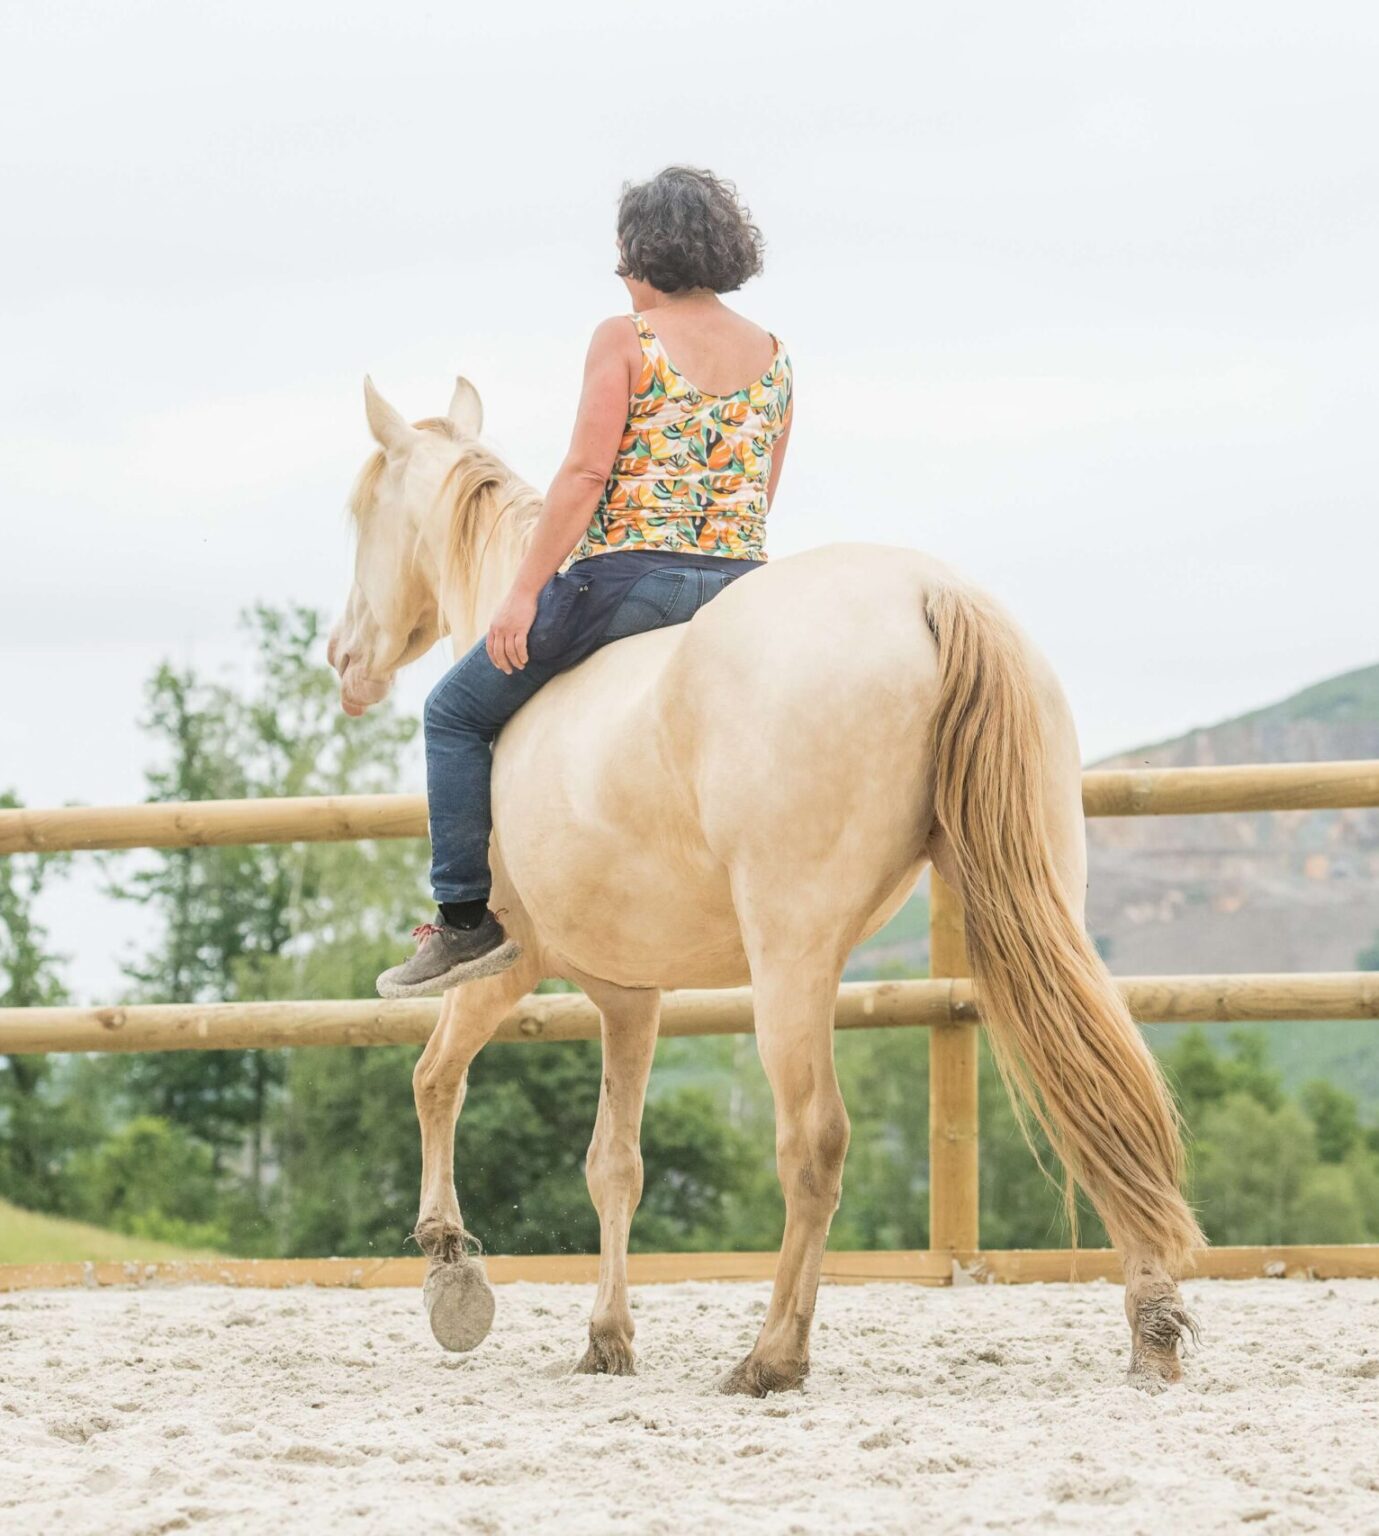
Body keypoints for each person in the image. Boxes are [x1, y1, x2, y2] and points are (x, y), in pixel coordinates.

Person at [376, 166, 794, 998]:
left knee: (452, 712)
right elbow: (761, 493)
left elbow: (583, 472)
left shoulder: (626, 337)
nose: (623, 279)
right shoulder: (773, 356)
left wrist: (525, 589)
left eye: (622, 262)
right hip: (741, 588)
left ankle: (463, 923)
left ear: (645, 255)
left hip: (628, 581)